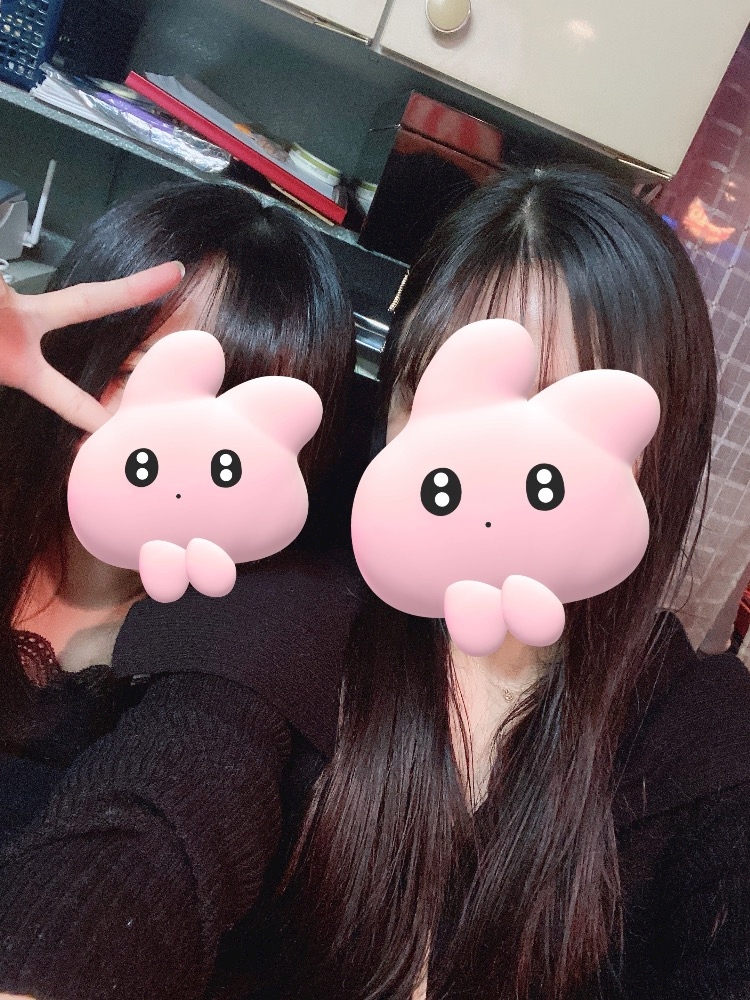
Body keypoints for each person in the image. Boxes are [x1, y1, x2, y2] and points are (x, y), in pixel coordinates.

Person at [0, 167, 748, 1000]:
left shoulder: (708, 732)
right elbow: (148, 829)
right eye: (442, 404)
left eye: (552, 416)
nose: (489, 470)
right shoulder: (283, 621)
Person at [0, 178, 363, 1000]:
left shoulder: (265, 636)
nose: (179, 455)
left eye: (232, 427)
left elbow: (164, 824)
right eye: (139, 374)